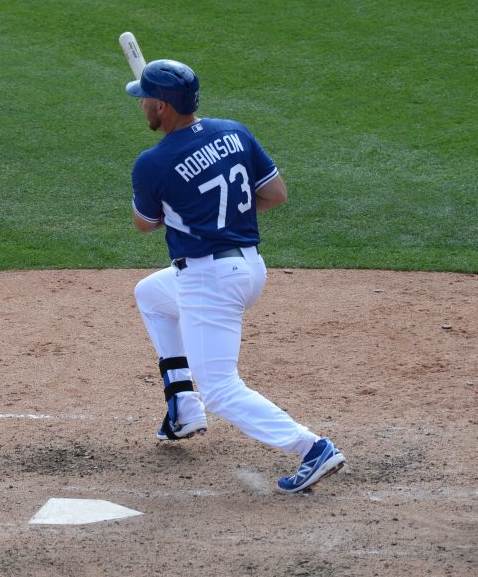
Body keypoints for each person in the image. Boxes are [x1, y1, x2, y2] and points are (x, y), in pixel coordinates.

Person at [125, 58, 345, 493]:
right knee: (151, 293)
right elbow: (275, 194)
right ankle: (183, 409)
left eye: (145, 99)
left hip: (209, 280)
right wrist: (220, 219)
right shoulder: (233, 130)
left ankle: (311, 448)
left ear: (162, 107)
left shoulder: (153, 163)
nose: (141, 106)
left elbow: (144, 223)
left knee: (222, 388)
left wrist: (193, 214)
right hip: (248, 268)